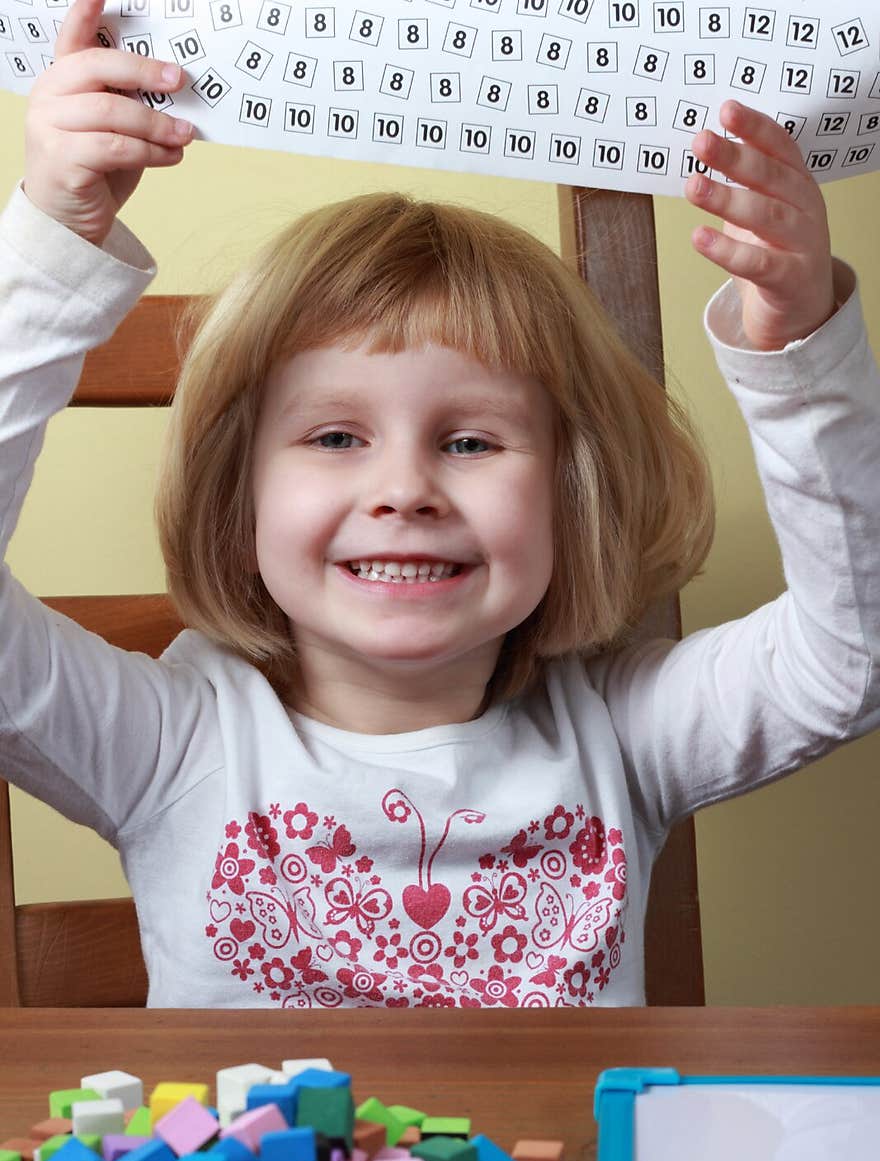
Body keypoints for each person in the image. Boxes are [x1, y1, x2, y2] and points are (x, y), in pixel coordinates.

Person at [2, 0, 877, 1008]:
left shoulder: (624, 733)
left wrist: (796, 344)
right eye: (335, 438)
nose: (405, 491)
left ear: (569, 496)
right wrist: (50, 241)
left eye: (469, 442)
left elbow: (853, 655)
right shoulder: (167, 740)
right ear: (235, 501)